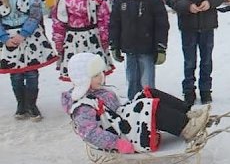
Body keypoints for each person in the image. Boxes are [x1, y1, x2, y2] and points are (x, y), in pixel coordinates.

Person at [61, 53, 211, 153]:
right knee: (147, 107)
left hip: (124, 120)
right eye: (95, 76)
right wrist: (116, 144)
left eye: (101, 73)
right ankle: (186, 127)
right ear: (82, 79)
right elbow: (90, 133)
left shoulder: (97, 90)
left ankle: (188, 113)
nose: (101, 78)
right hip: (123, 134)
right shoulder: (83, 107)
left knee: (149, 93)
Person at [164, 0, 226, 106]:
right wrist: (186, 6)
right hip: (188, 24)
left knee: (206, 59)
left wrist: (210, 2)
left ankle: (206, 89)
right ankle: (188, 90)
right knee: (189, 59)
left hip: (207, 23)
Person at [0, 0, 57, 121]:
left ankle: (32, 104)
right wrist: (4, 37)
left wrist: (24, 33)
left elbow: (36, 13)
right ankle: (21, 104)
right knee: (16, 74)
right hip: (8, 38)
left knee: (31, 73)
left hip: (30, 36)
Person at [110, 0, 169, 100]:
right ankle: (133, 106)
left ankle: (149, 106)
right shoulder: (121, 1)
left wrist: (161, 47)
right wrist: (115, 45)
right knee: (132, 80)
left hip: (147, 50)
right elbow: (114, 24)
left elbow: (162, 25)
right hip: (129, 50)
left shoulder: (154, 1)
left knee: (146, 82)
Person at [52, 0, 113, 82]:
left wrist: (105, 37)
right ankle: (79, 93)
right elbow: (58, 21)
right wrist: (59, 40)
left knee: (95, 69)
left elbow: (104, 19)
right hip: (72, 39)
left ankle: (98, 93)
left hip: (92, 38)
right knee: (77, 70)